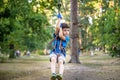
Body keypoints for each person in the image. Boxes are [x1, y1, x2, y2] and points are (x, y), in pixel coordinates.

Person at [50, 13, 70, 80]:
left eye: (68, 30)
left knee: (61, 61)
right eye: (65, 30)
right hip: (54, 51)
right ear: (61, 30)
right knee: (53, 59)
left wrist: (61, 27)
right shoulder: (56, 35)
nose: (67, 32)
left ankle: (60, 75)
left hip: (61, 53)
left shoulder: (67, 38)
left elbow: (61, 36)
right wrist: (59, 19)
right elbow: (57, 28)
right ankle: (53, 74)